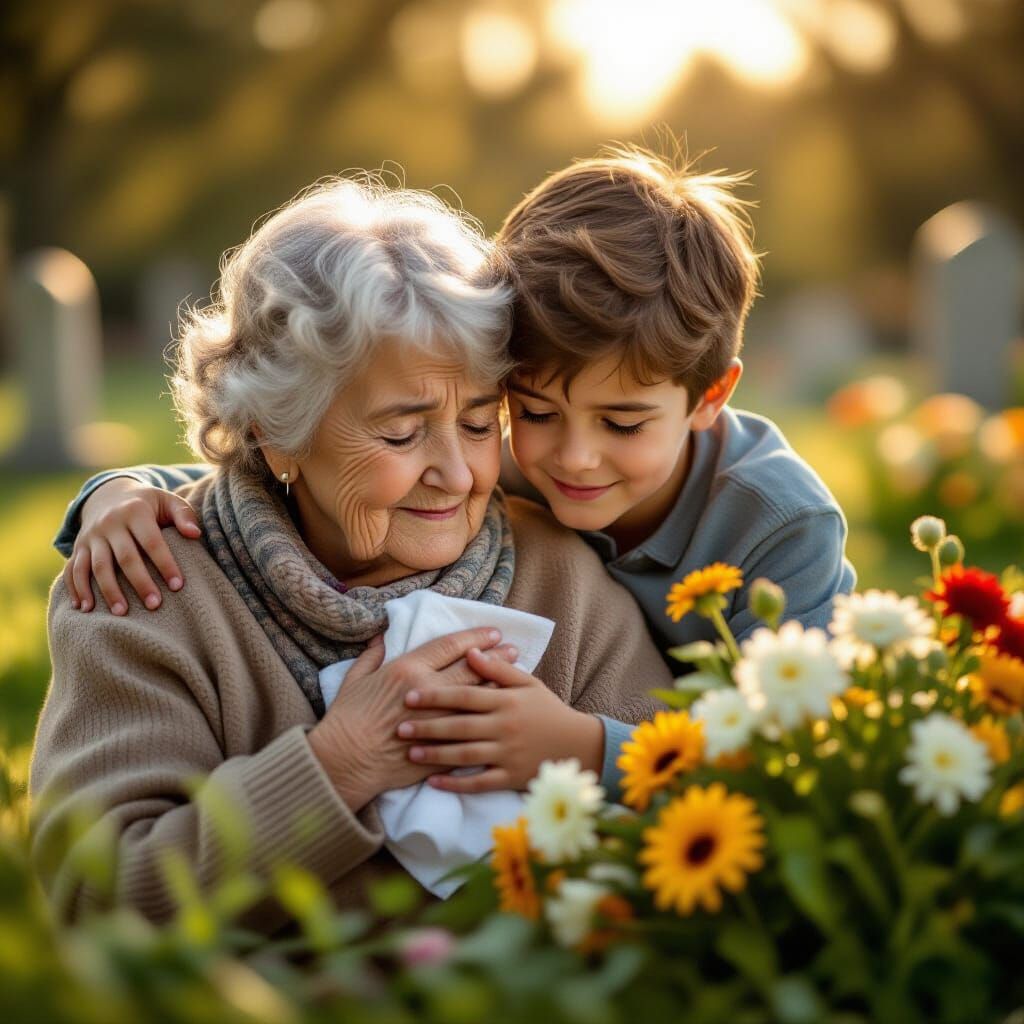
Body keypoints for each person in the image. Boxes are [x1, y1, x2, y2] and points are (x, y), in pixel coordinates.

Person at [52, 147, 855, 796]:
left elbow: (797, 758)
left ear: (710, 398)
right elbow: (248, 476)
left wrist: (581, 748)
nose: (569, 458)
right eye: (529, 413)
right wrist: (116, 492)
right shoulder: (149, 591)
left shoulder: (763, 527)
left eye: (478, 423)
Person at [30, 176, 673, 928]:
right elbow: (94, 898)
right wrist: (339, 765)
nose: (459, 474)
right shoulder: (148, 586)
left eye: (476, 423)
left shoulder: (559, 575)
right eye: (401, 433)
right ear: (275, 431)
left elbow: (678, 822)